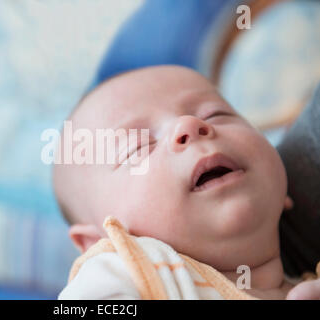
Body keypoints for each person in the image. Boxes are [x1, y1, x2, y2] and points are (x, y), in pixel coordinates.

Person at [53, 65, 319, 299]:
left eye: (215, 114)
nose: (189, 125)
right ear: (98, 243)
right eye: (138, 146)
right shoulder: (129, 271)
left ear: (285, 188)